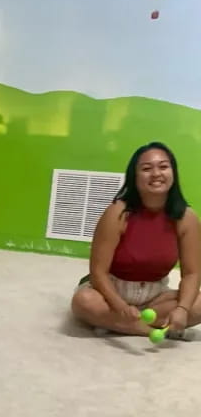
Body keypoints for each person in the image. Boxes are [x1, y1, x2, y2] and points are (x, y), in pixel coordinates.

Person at [71, 142, 201, 338]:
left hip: (155, 295)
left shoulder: (187, 218)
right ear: (135, 176)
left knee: (198, 304)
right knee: (84, 301)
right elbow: (98, 272)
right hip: (111, 291)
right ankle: (148, 329)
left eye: (163, 166)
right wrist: (119, 305)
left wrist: (182, 309)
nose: (156, 173)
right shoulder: (117, 212)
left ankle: (117, 325)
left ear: (173, 173)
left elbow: (191, 274)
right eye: (147, 168)